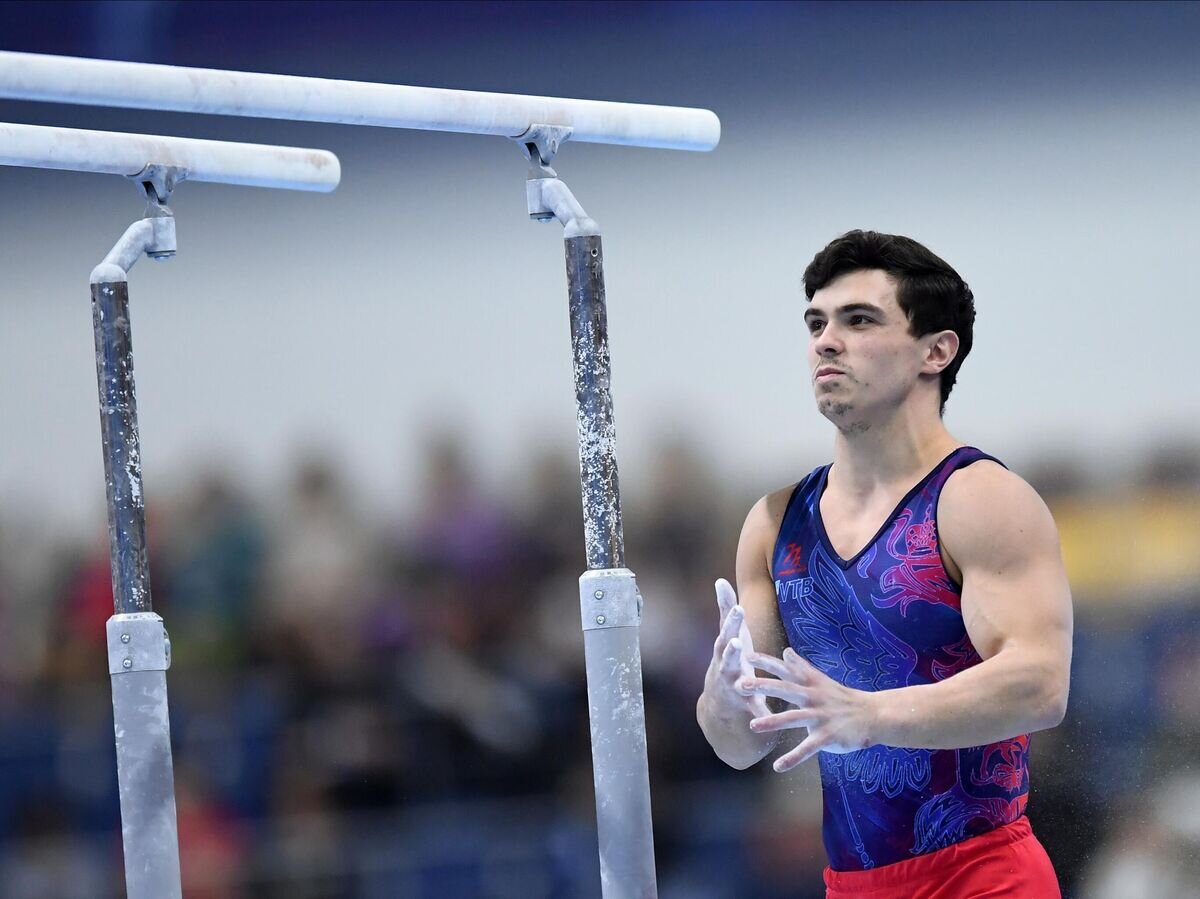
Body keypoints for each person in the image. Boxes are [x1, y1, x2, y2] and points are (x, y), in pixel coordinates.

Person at [696, 231, 1072, 898]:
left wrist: (870, 714)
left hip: (981, 876)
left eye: (858, 320)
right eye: (816, 323)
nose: (825, 341)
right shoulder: (775, 524)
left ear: (937, 350)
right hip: (851, 885)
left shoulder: (978, 500)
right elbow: (739, 745)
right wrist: (724, 700)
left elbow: (1040, 684)